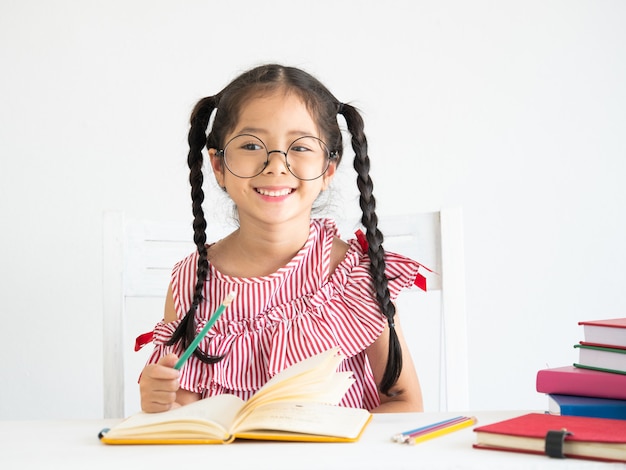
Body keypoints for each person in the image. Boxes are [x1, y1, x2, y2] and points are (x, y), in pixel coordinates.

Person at [139, 64, 426, 414]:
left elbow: (404, 401)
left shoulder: (355, 273)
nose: (276, 165)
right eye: (250, 144)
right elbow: (184, 413)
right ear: (218, 166)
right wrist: (161, 401)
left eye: (301, 147)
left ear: (328, 169)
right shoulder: (190, 282)